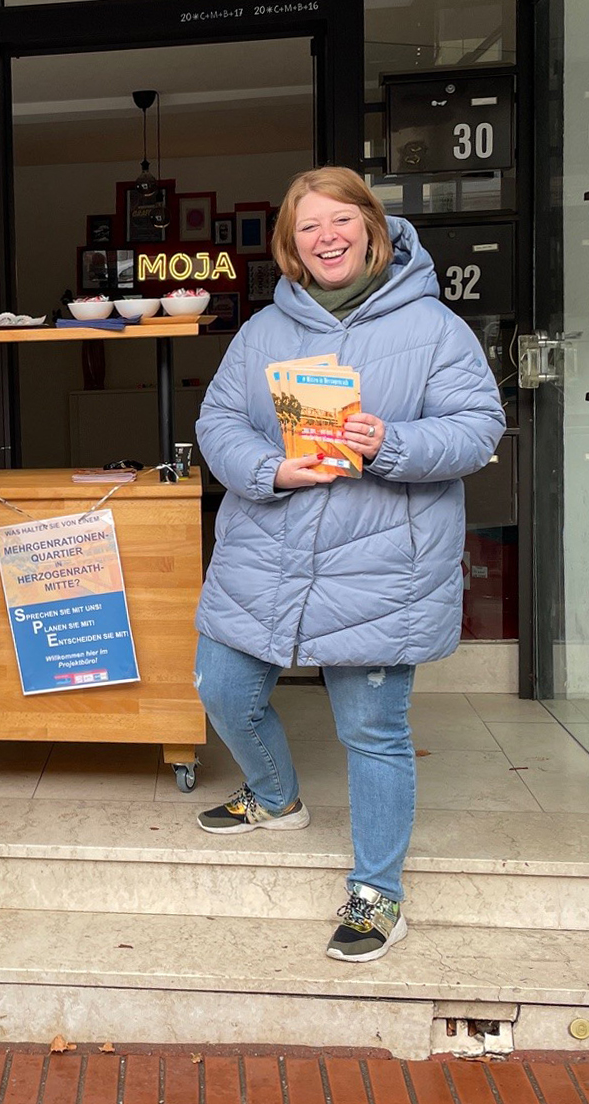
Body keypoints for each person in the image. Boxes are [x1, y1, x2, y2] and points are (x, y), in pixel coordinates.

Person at [192, 166, 505, 963]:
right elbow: (219, 420)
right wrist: (268, 469)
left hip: (379, 568)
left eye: (339, 221)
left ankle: (377, 896)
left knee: (371, 731)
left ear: (372, 227)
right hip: (266, 549)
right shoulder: (266, 329)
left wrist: (388, 443)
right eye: (307, 227)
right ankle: (274, 797)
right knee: (222, 687)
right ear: (290, 247)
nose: (325, 237)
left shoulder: (433, 326)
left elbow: (477, 429)